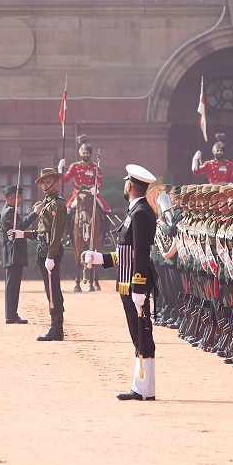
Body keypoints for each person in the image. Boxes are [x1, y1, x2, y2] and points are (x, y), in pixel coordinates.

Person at [83, 164, 159, 400]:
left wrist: (138, 287)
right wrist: (100, 259)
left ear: (130, 185)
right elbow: (127, 252)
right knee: (138, 334)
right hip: (128, 283)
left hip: (135, 285)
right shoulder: (135, 212)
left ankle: (142, 388)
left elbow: (142, 254)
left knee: (142, 334)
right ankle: (145, 388)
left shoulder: (142, 214)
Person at [18, 167, 68, 341]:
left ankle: (56, 328)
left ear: (56, 182)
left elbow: (56, 233)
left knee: (53, 291)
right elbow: (42, 232)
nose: (45, 185)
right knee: (50, 290)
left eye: (48, 181)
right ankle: (56, 326)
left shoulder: (58, 204)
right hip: (43, 249)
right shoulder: (47, 203)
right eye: (43, 182)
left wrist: (51, 255)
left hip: (49, 251)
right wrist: (22, 234)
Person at [0, 184, 37, 325]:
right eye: (18, 197)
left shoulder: (11, 211)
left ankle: (12, 314)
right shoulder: (9, 212)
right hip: (12, 253)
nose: (21, 200)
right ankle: (10, 315)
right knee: (12, 286)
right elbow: (20, 227)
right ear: (10, 198)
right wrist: (35, 213)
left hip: (15, 253)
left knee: (14, 285)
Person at [62, 135, 110, 236]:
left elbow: (100, 182)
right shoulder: (75, 166)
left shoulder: (96, 167)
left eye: (87, 153)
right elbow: (65, 180)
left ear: (90, 154)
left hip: (92, 193)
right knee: (67, 210)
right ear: (80, 154)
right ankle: (68, 235)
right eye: (83, 153)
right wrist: (60, 169)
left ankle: (106, 235)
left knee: (107, 209)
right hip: (78, 195)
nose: (85, 155)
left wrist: (95, 189)